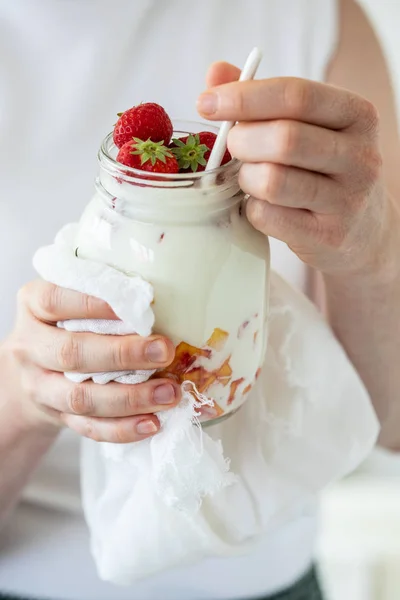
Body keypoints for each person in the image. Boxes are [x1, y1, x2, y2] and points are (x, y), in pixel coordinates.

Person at [0, 0, 399, 598]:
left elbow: (384, 426)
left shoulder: (314, 17)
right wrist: (24, 400)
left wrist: (373, 257)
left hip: (270, 579)